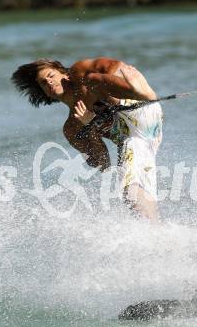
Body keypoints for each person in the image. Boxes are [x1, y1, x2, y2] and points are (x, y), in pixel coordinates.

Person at [11, 57, 163, 220]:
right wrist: (89, 125)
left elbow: (111, 66)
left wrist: (124, 78)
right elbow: (103, 163)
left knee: (91, 80)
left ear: (64, 74)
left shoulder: (80, 72)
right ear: (45, 93)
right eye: (43, 83)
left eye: (51, 75)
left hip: (138, 109)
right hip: (135, 139)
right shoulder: (72, 128)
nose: (48, 81)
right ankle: (156, 230)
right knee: (131, 192)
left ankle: (141, 92)